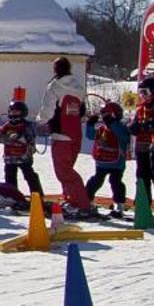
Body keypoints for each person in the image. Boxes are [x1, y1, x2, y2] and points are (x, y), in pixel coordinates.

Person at [42, 59, 93, 216]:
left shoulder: (55, 87)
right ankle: (71, 198)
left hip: (60, 133)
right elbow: (82, 110)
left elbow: (48, 110)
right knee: (68, 169)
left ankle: (80, 203)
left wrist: (40, 121)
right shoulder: (78, 87)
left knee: (64, 172)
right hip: (75, 133)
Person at [85, 101, 130, 215]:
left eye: (106, 115)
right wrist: (90, 124)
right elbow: (91, 136)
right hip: (102, 162)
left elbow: (123, 137)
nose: (104, 118)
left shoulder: (120, 128)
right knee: (96, 181)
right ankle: (87, 199)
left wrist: (112, 124)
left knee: (116, 182)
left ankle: (119, 204)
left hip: (117, 163)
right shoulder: (102, 129)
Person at [0, 99, 44, 199]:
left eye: (16, 112)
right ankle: (13, 196)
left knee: (30, 176)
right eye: (11, 112)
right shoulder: (7, 126)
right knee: (10, 178)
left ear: (23, 112)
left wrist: (22, 137)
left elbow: (31, 136)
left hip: (23, 157)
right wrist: (7, 138)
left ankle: (37, 196)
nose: (13, 114)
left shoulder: (27, 125)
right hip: (10, 157)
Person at [130, 76, 154, 196]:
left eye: (145, 92)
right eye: (141, 93)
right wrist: (134, 126)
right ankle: (143, 203)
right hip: (142, 149)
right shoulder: (141, 109)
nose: (143, 96)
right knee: (142, 176)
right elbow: (135, 126)